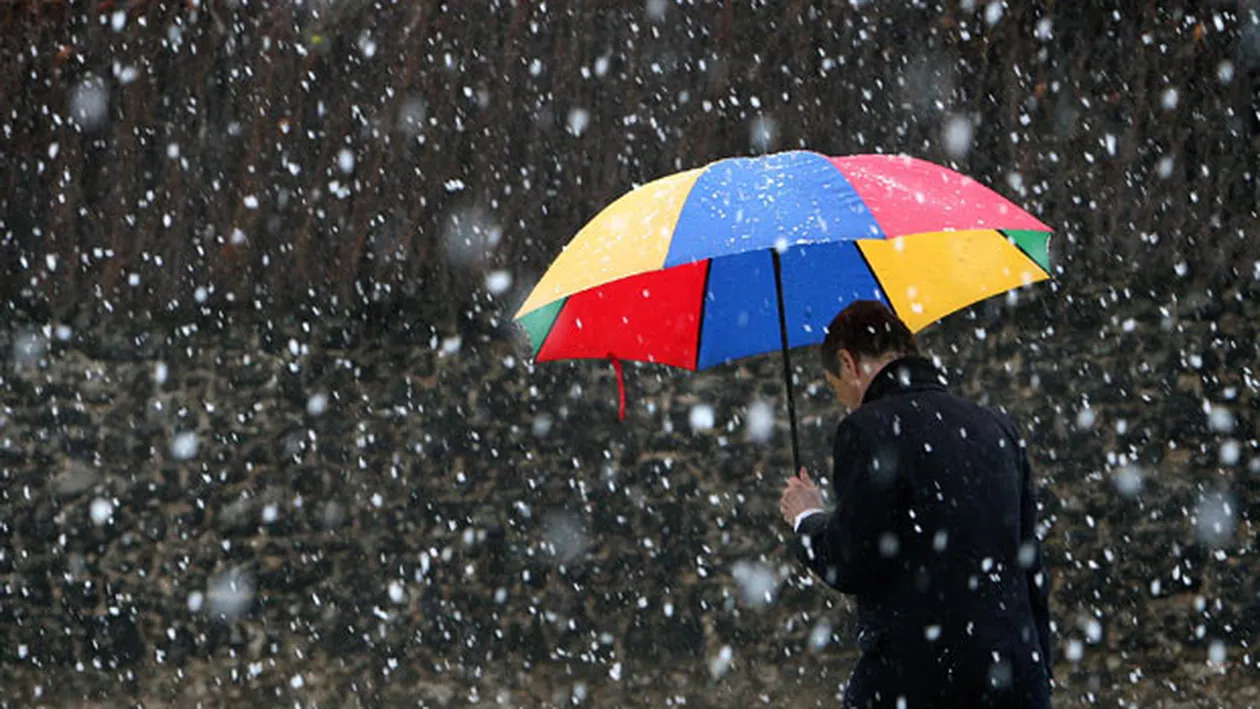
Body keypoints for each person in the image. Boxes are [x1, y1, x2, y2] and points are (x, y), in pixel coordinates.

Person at [778, 300, 1053, 709]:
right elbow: (1030, 566)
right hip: (1014, 678)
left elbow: (852, 560)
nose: (846, 404)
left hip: (919, 681)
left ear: (848, 363)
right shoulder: (996, 426)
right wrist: (1039, 674)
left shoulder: (868, 429)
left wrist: (807, 517)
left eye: (837, 389)